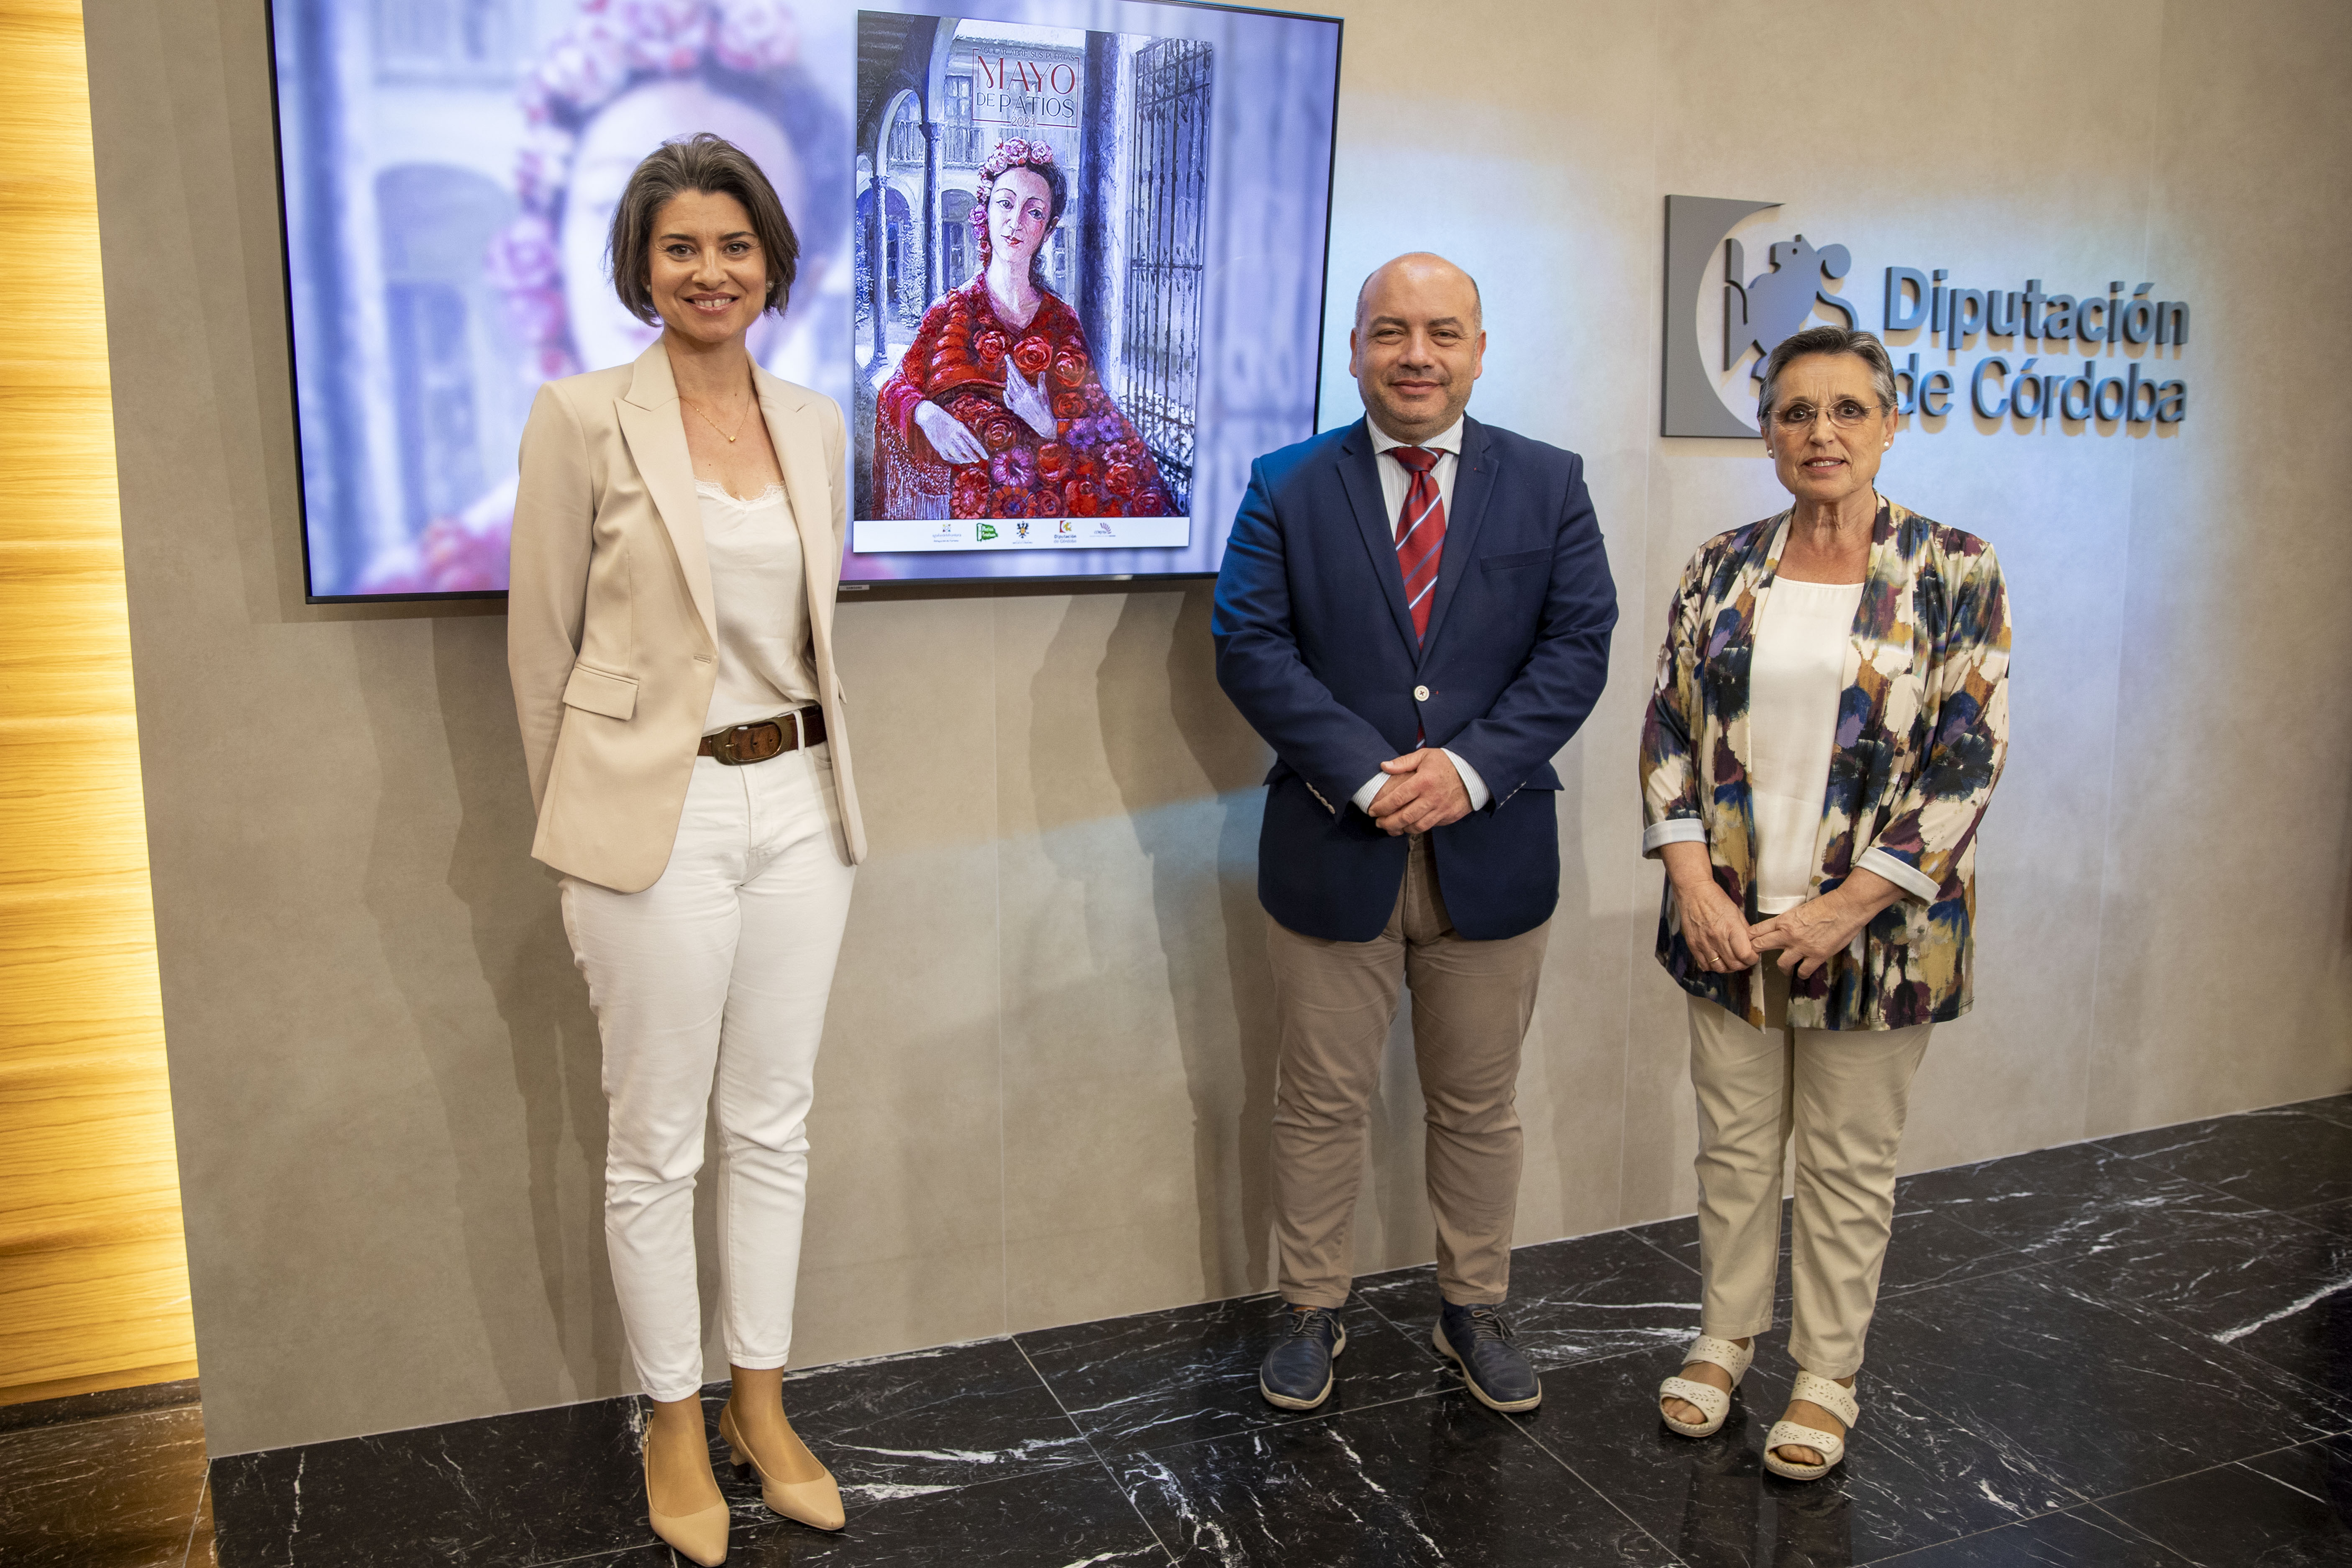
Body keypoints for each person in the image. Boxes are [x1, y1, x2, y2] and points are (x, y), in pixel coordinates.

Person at [507, 133, 864, 1563]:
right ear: (641, 266)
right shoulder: (579, 416)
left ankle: (761, 1403)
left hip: (803, 805)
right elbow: (540, 653)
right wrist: (582, 825)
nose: (707, 269)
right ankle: (671, 1415)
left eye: (732, 244)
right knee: (654, 1140)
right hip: (649, 817)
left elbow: (810, 630)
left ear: (770, 260)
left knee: (772, 1119)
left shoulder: (816, 419)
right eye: (679, 247)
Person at [1212, 253, 1618, 1416]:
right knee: (1316, 1101)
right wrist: (1364, 774)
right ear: (1353, 349)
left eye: (1442, 331)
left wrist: (1470, 769)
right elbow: (1249, 645)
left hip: (1490, 854)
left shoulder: (1548, 483)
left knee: (1478, 1104)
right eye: (1390, 331)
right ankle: (1307, 1309)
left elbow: (1575, 645)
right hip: (1332, 848)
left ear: (1478, 350)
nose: (1415, 354)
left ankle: (1473, 1306)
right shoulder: (1285, 485)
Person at [1642, 325, 2011, 1480]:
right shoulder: (1718, 566)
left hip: (1879, 932)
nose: (1821, 434)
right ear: (1765, 433)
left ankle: (1824, 1371)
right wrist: (1692, 879)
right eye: (1796, 412)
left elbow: (1968, 756)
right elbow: (1666, 728)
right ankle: (1721, 1338)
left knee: (1850, 1158)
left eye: (1847, 410)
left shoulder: (1953, 567)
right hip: (1727, 921)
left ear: (1888, 423)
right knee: (1735, 1147)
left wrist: (1843, 908)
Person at [870, 138, 1175, 523]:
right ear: (985, 213)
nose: (1015, 222)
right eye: (1006, 203)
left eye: (1033, 212)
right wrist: (929, 415)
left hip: (1045, 517)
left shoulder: (1062, 321)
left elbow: (1103, 427)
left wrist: (1048, 424)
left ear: (1047, 231)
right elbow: (897, 388)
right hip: (965, 520)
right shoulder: (951, 312)